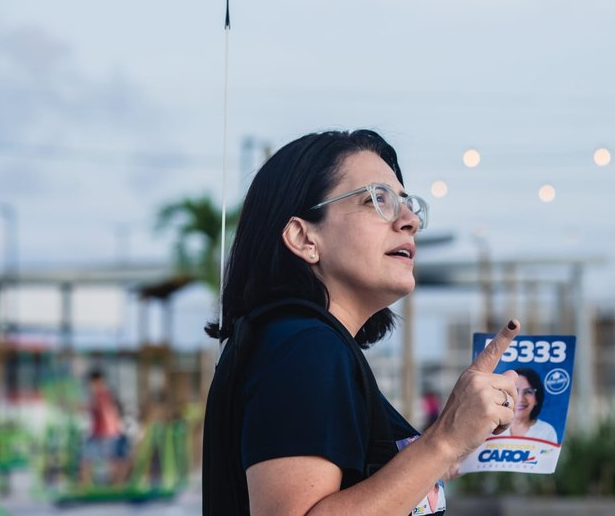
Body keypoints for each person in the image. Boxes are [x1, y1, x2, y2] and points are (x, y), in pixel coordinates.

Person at [202, 129, 522, 515]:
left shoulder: (295, 343)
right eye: (377, 200)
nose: (409, 222)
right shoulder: (304, 348)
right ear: (304, 237)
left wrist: (439, 456)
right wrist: (445, 440)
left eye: (408, 205)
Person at [80, 368, 126, 486]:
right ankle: (86, 485)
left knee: (113, 462)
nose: (91, 387)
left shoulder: (105, 395)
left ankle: (116, 485)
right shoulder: (98, 395)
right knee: (87, 460)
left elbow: (108, 412)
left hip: (108, 434)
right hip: (98, 434)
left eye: (93, 383)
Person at [506, 368, 558, 443]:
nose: (520, 399)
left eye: (528, 392)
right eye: (515, 391)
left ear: (537, 398)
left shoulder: (547, 431)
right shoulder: (491, 427)